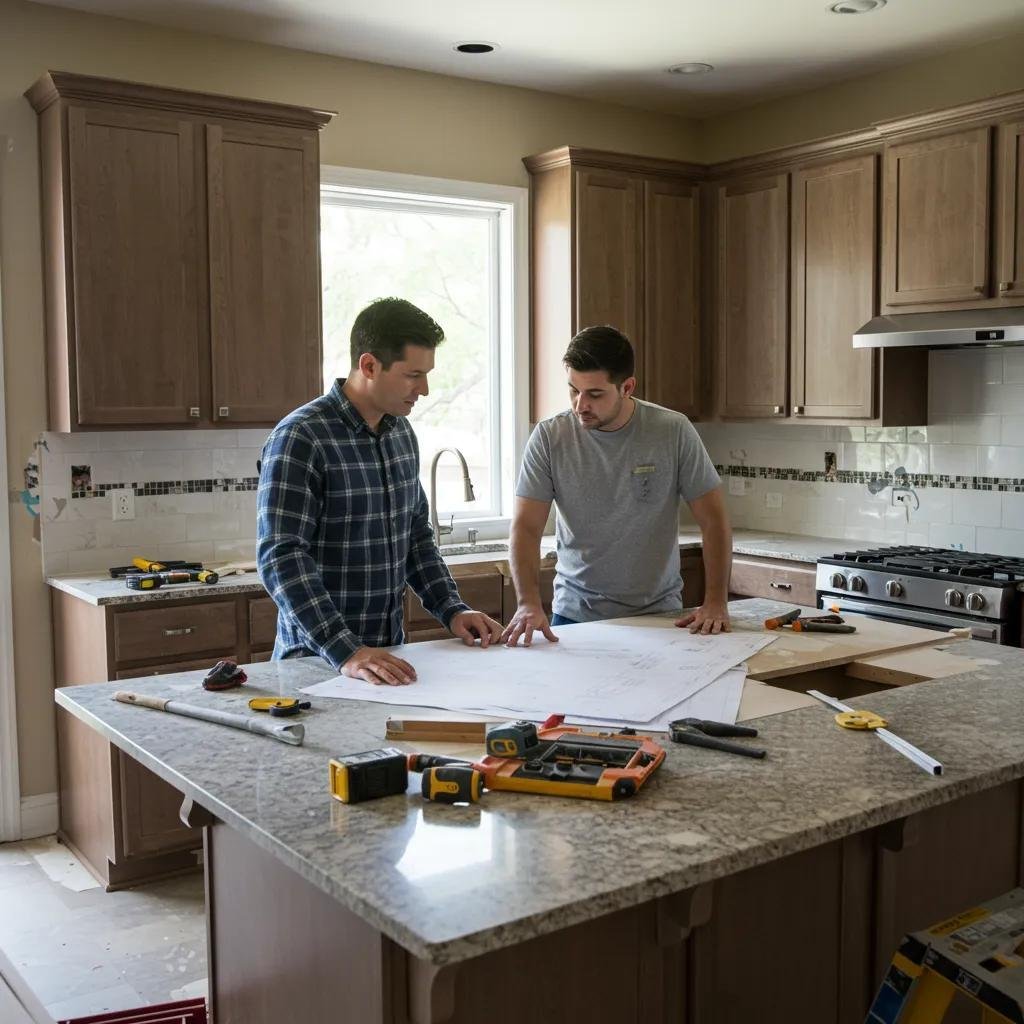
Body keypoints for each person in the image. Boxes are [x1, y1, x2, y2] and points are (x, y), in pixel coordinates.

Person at [257, 297, 503, 685]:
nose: (424, 389)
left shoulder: (400, 433)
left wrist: (452, 609)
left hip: (387, 660)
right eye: (413, 375)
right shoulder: (301, 437)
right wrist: (345, 650)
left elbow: (416, 537)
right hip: (316, 664)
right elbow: (281, 557)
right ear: (369, 366)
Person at [501, 325, 732, 647]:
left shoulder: (673, 431)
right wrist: (527, 602)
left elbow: (714, 521)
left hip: (660, 614)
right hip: (575, 614)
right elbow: (526, 528)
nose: (580, 405)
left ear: (627, 387)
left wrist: (716, 602)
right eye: (573, 390)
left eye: (594, 394)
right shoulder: (549, 437)